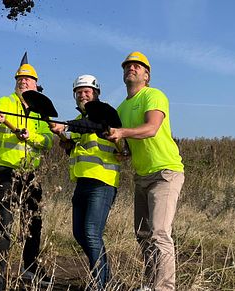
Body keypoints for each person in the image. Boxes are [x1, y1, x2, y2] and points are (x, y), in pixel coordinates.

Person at [105, 52, 184, 291]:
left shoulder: (154, 95)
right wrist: (122, 150)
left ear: (146, 75)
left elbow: (151, 128)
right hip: (141, 176)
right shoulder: (121, 108)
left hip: (165, 172)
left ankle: (164, 288)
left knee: (160, 233)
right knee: (142, 233)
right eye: (128, 66)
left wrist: (121, 133)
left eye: (137, 66)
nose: (132, 69)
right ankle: (150, 284)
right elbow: (127, 145)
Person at [50, 75, 122, 290]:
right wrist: (62, 136)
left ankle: (99, 284)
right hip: (82, 182)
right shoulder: (79, 121)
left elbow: (90, 125)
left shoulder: (104, 113)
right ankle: (104, 276)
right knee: (79, 234)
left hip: (102, 181)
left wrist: (66, 126)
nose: (83, 95)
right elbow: (74, 147)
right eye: (79, 92)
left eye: (87, 91)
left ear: (96, 93)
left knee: (91, 233)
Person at [0, 62, 54, 291]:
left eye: (27, 79)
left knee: (33, 222)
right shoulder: (5, 102)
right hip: (4, 171)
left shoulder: (42, 110)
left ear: (36, 84)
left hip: (30, 174)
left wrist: (31, 136)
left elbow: (47, 141)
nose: (22, 81)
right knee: (4, 223)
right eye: (19, 79)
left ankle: (31, 267)